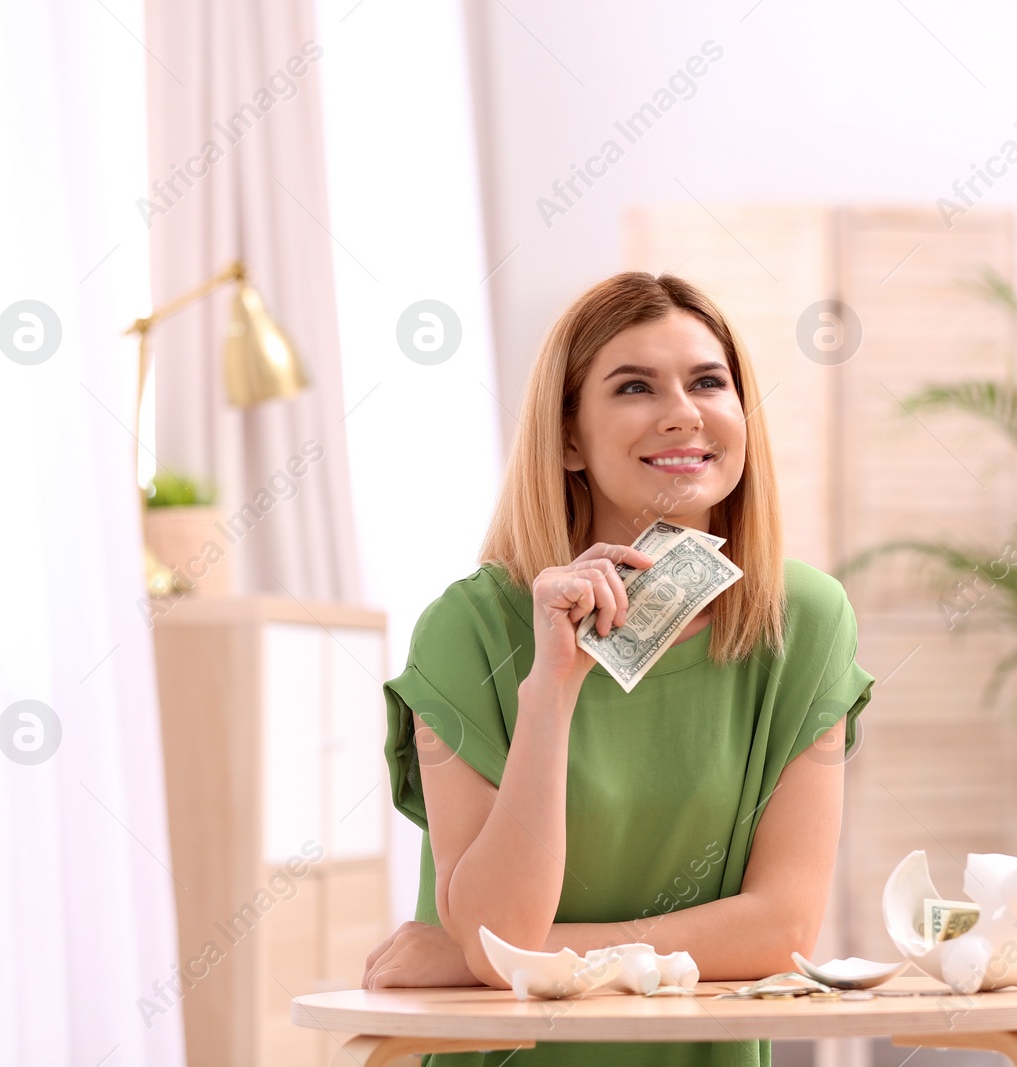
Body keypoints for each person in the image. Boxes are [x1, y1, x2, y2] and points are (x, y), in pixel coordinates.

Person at [366, 271, 876, 1066]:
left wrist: (511, 958)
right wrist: (550, 691)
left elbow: (781, 930)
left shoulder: (803, 620)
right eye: (634, 386)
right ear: (568, 436)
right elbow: (500, 922)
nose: (683, 411)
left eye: (709, 381)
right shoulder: (468, 630)